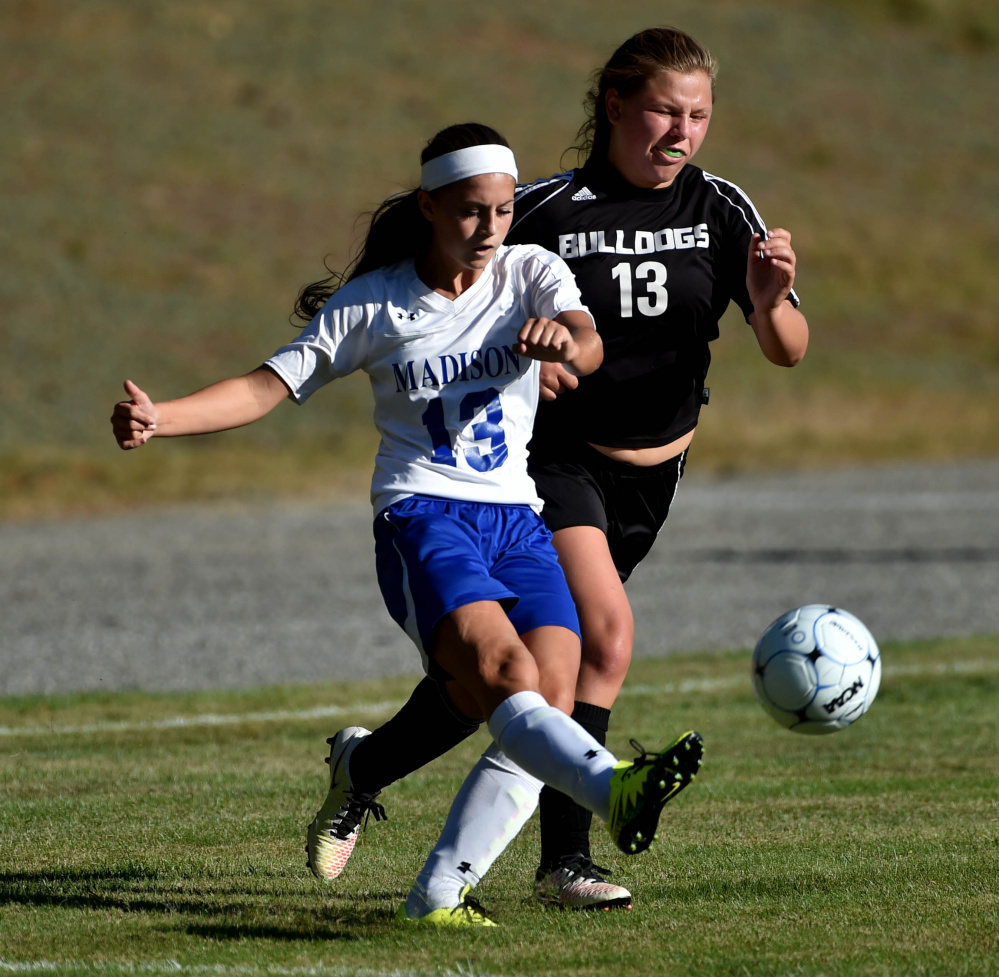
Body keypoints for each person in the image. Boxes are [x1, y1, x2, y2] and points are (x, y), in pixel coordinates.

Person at [110, 122, 704, 926]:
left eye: (500, 210)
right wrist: (162, 418)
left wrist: (566, 337)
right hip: (423, 515)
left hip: (518, 519)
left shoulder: (529, 268)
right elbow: (265, 385)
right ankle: (612, 790)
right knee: (506, 676)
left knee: (549, 695)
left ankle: (433, 886)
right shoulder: (375, 303)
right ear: (427, 206)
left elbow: (588, 340)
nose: (490, 228)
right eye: (468, 212)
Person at [306, 27, 807, 911]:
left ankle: (368, 764)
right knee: (602, 638)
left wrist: (768, 305)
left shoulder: (722, 206)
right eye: (662, 110)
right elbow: (462, 280)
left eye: (697, 115)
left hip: (658, 472)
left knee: (497, 683)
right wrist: (519, 350)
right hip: (553, 462)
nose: (680, 131)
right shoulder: (547, 208)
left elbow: (787, 349)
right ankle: (566, 858)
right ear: (614, 105)